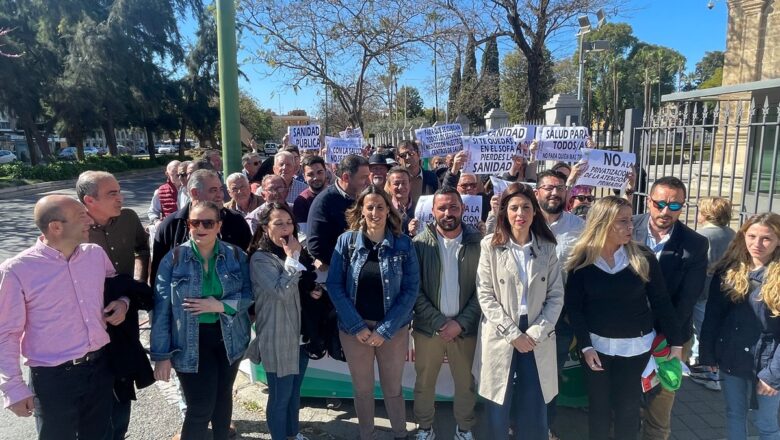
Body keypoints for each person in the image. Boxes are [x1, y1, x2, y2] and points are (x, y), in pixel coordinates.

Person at [0, 195, 125, 439]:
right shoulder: (16, 270)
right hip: (53, 379)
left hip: (99, 368)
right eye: (81, 216)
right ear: (56, 227)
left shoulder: (95, 255)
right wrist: (13, 388)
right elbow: (7, 334)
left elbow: (117, 289)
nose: (89, 220)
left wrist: (123, 303)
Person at [565, 195, 683, 440]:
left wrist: (676, 341)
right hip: (596, 349)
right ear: (603, 223)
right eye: (623, 221)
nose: (631, 226)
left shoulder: (642, 257)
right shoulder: (582, 260)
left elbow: (661, 301)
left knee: (628, 409)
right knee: (598, 409)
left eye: (630, 220)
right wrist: (585, 345)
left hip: (635, 347)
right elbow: (574, 308)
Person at [151, 201, 252, 440]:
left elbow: (249, 295)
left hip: (229, 339)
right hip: (188, 342)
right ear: (188, 225)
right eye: (195, 223)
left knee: (223, 398)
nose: (200, 228)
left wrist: (220, 306)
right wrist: (161, 355)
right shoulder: (173, 260)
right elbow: (161, 309)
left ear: (219, 226)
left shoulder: (236, 256)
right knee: (200, 407)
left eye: (208, 223)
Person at [326, 185, 420, 440]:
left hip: (393, 330)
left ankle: (400, 434)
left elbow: (411, 290)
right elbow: (334, 285)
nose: (375, 212)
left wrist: (385, 329)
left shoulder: (402, 244)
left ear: (389, 209)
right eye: (370, 207)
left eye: (380, 206)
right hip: (354, 331)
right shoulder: (346, 242)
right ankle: (367, 434)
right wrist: (357, 327)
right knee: (363, 389)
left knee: (392, 388)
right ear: (361, 210)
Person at [473, 182, 564, 439]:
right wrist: (513, 333)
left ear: (535, 212)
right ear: (505, 212)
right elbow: (485, 294)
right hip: (503, 330)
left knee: (534, 400)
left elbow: (556, 295)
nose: (520, 214)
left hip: (537, 331)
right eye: (514, 208)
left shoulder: (547, 247)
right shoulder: (490, 245)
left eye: (526, 207)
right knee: (498, 401)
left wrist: (536, 332)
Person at [632, 176, 709, 440]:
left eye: (674, 206)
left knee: (659, 406)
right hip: (626, 334)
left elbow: (688, 298)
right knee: (624, 403)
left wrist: (669, 340)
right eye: (660, 203)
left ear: (683, 206)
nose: (665, 212)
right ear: (649, 201)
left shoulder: (695, 244)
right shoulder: (626, 227)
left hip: (671, 336)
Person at [77, 171, 152, 439]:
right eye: (113, 194)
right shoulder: (73, 226)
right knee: (95, 389)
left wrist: (132, 294)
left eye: (119, 191)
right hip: (88, 324)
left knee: (123, 380)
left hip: (124, 312)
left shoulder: (129, 218)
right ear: (89, 200)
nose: (121, 198)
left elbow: (142, 250)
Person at [700, 213, 780, 440]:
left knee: (766, 422)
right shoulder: (728, 268)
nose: (757, 244)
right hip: (731, 355)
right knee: (734, 413)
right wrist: (708, 354)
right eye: (752, 236)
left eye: (767, 238)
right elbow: (713, 315)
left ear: (778, 241)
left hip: (768, 363)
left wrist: (774, 374)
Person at [247, 203, 323, 440]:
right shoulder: (260, 259)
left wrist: (312, 290)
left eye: (289, 222)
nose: (285, 228)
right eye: (278, 224)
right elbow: (280, 292)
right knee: (280, 396)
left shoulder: (294, 252)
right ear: (265, 227)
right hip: (277, 335)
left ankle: (293, 433)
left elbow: (300, 286)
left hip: (299, 334)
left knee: (293, 392)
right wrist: (293, 258)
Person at [412, 188, 482, 440]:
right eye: (442, 208)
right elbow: (414, 290)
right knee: (424, 383)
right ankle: (424, 428)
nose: (448, 213)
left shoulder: (478, 243)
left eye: (453, 207)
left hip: (465, 330)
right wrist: (440, 322)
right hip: (428, 328)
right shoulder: (419, 243)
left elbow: (484, 290)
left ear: (463, 208)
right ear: (432, 211)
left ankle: (464, 428)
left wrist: (460, 323)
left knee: (465, 384)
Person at [151, 169, 252, 284]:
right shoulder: (171, 225)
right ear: (194, 193)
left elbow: (248, 268)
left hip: (228, 298)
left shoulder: (236, 221)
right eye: (213, 190)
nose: (220, 195)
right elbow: (158, 276)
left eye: (220, 189)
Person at [689, 196, 736, 391]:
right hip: (724, 288)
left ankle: (710, 373)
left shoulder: (702, 236)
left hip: (702, 289)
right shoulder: (731, 233)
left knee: (702, 329)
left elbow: (698, 265)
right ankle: (703, 364)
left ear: (706, 214)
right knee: (710, 327)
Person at [307, 154, 370, 271]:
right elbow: (315, 246)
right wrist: (348, 263)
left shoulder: (366, 196)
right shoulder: (324, 202)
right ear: (346, 177)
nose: (368, 182)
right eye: (363, 177)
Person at [293, 155, 328, 235]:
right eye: (310, 174)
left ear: (325, 172)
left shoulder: (337, 195)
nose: (316, 177)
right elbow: (303, 235)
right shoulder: (301, 201)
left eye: (319, 172)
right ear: (304, 177)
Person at [397, 140, 438, 204]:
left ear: (419, 154)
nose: (408, 157)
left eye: (411, 153)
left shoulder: (432, 177)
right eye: (403, 155)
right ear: (398, 159)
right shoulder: (394, 179)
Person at [384, 166, 416, 236]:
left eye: (404, 183)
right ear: (389, 186)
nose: (401, 187)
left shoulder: (419, 208)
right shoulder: (385, 210)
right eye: (396, 184)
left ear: (410, 184)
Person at [149, 160, 182, 224]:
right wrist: (156, 221)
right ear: (167, 174)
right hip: (170, 228)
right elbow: (152, 212)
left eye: (180, 171)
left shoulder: (190, 189)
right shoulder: (160, 191)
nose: (178, 174)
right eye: (174, 171)